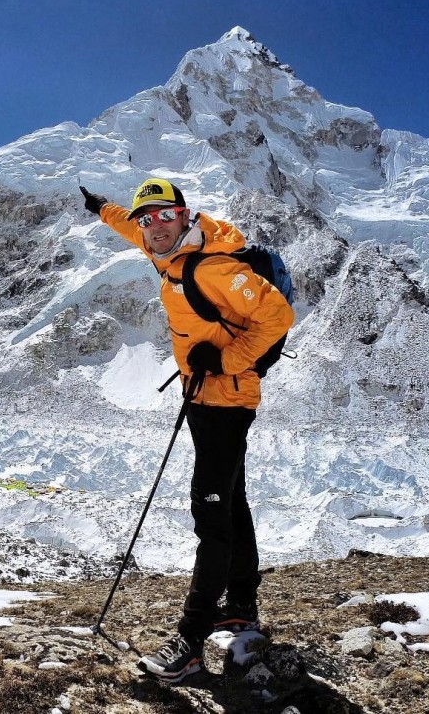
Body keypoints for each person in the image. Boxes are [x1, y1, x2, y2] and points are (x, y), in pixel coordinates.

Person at [80, 178, 294, 681]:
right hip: (203, 396)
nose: (153, 227)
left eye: (163, 216)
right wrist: (105, 210)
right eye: (145, 219)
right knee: (232, 498)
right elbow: (137, 233)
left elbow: (278, 315)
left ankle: (191, 642)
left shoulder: (210, 266)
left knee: (211, 514)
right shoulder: (169, 250)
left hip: (225, 399)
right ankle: (241, 605)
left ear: (185, 214)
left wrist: (223, 358)